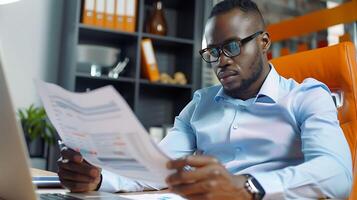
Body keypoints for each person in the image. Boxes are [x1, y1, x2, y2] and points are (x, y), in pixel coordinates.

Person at [57, 0, 353, 199]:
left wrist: (246, 188)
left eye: (232, 47)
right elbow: (160, 166)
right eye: (213, 52)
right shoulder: (201, 104)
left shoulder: (307, 96)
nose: (221, 61)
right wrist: (97, 179)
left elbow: (337, 174)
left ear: (263, 43)